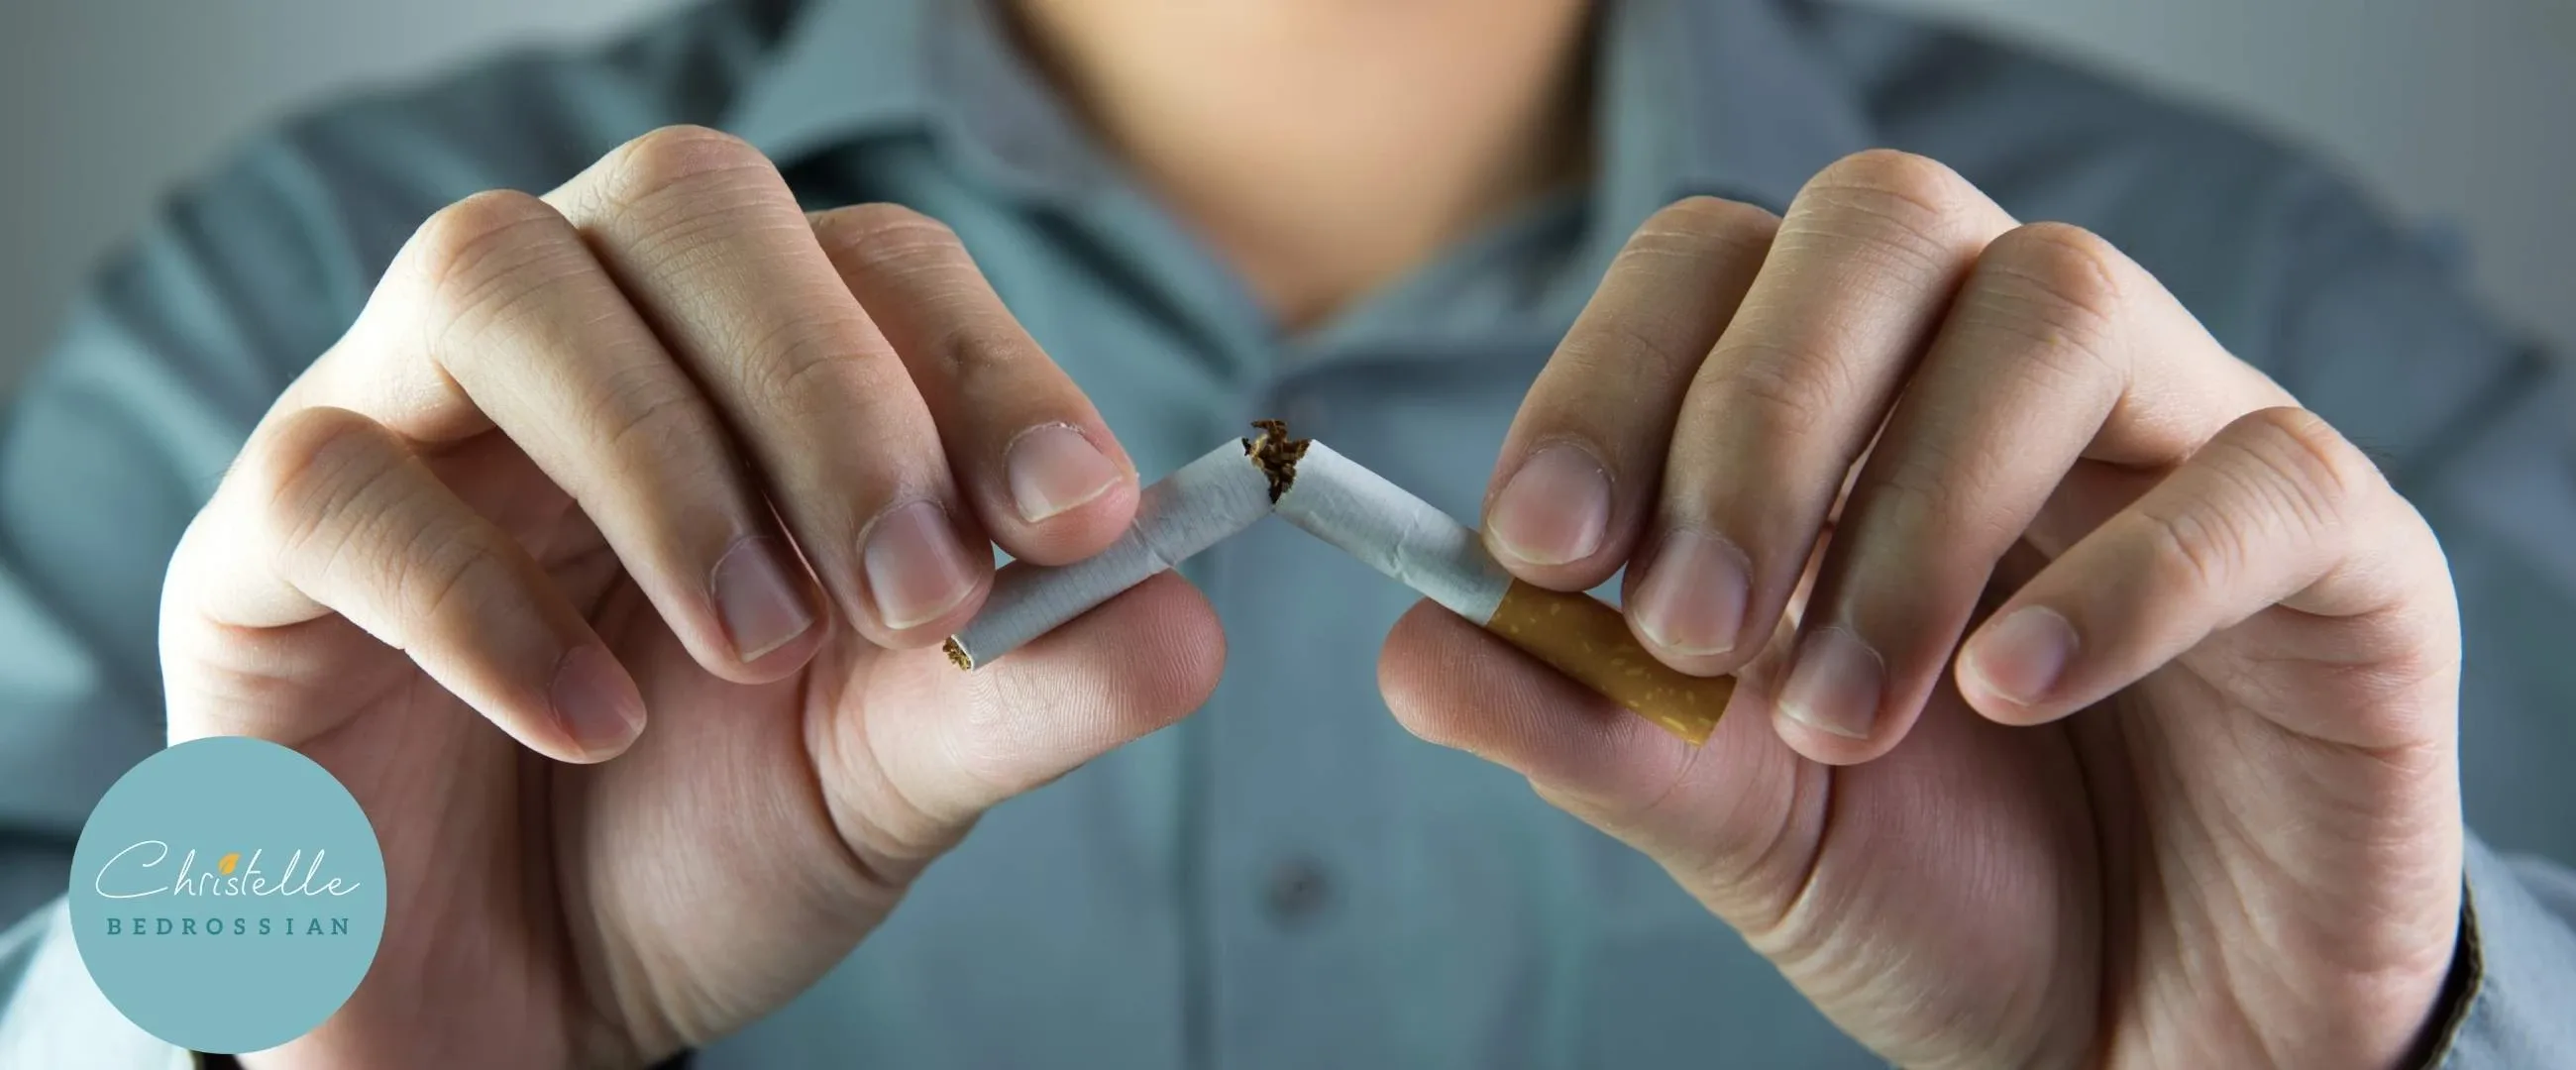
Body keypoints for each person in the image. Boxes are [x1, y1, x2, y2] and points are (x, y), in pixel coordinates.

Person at [0, 0, 2571, 1064]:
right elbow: (106, 942)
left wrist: (2407, 1039)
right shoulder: (330, 314)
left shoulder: (2242, 336)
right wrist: (247, 988)